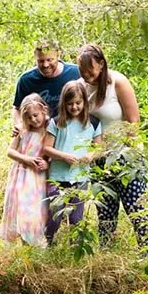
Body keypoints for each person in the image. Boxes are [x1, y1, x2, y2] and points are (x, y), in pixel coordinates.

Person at [77, 42, 148, 249]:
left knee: (137, 209)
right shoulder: (80, 86)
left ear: (101, 64)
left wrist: (122, 153)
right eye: (82, 71)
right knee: (105, 212)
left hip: (127, 156)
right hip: (98, 158)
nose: (86, 75)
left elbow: (133, 122)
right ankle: (107, 255)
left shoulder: (118, 82)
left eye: (90, 70)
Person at [42, 80, 103, 245]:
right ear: (64, 103)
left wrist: (90, 156)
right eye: (70, 104)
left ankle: (75, 246)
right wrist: (64, 156)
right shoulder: (57, 122)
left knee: (76, 218)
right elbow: (46, 148)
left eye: (78, 103)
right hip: (58, 176)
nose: (75, 107)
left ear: (84, 101)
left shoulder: (93, 123)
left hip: (80, 176)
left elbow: (99, 148)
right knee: (55, 215)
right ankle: (48, 243)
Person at [0, 93, 49, 246]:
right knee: (21, 209)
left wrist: (46, 163)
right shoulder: (22, 130)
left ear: (44, 111)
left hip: (38, 179)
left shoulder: (50, 129)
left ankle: (36, 244)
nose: (33, 120)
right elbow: (10, 151)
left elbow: (52, 153)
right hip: (21, 176)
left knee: (35, 211)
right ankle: (24, 245)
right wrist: (26, 159)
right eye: (29, 117)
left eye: (36, 115)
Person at [12, 39, 80, 125]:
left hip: (71, 129)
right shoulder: (26, 80)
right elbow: (17, 108)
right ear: (35, 59)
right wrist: (20, 125)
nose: (45, 65)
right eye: (40, 61)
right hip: (41, 131)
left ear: (58, 56)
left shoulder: (76, 73)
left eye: (49, 60)